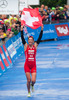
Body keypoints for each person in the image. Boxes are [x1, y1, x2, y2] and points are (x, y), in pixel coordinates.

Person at [21, 25, 43, 97]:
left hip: (33, 66)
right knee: (29, 80)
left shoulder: (35, 46)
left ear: (33, 41)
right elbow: (22, 39)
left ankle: (32, 85)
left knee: (33, 81)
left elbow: (39, 38)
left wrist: (42, 30)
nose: (30, 41)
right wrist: (21, 30)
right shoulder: (26, 46)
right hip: (27, 65)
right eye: (29, 40)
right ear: (28, 41)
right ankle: (29, 92)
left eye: (31, 40)